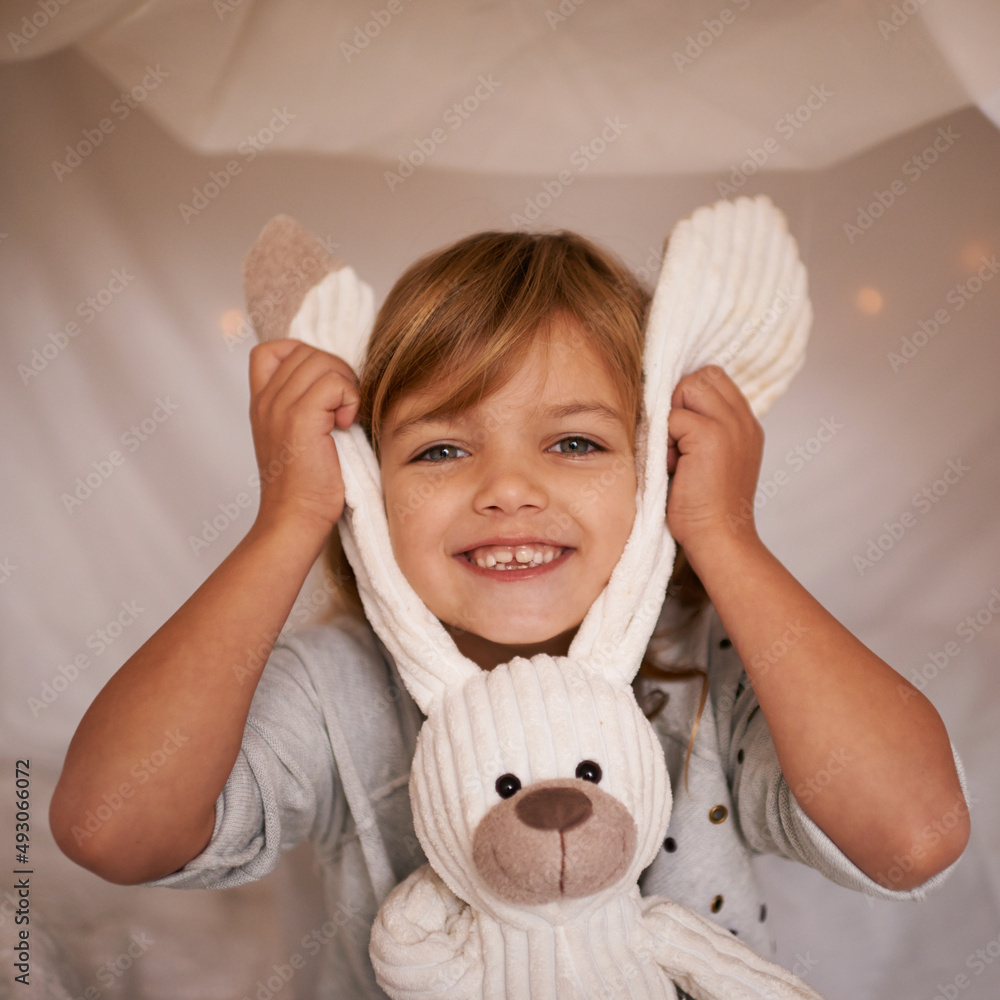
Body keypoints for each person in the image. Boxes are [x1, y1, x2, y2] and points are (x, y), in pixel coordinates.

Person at [50, 229, 970, 997]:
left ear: (659, 470)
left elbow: (913, 836)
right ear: (366, 481)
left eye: (575, 441)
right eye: (442, 448)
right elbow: (112, 828)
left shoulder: (714, 668)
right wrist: (287, 519)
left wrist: (727, 536)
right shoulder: (340, 683)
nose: (507, 489)